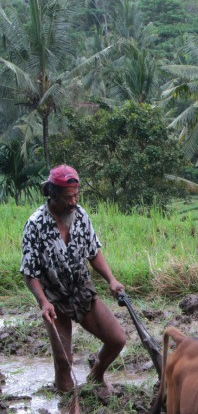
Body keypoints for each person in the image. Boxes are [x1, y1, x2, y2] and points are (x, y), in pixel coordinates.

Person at [20, 164, 126, 396]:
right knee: (63, 361)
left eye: (76, 196)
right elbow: (29, 272)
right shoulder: (35, 225)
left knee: (117, 339)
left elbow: (93, 252)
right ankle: (65, 407)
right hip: (55, 300)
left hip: (82, 292)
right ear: (53, 195)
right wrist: (43, 302)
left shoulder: (80, 216)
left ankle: (96, 375)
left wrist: (111, 279)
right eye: (68, 197)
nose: (73, 202)